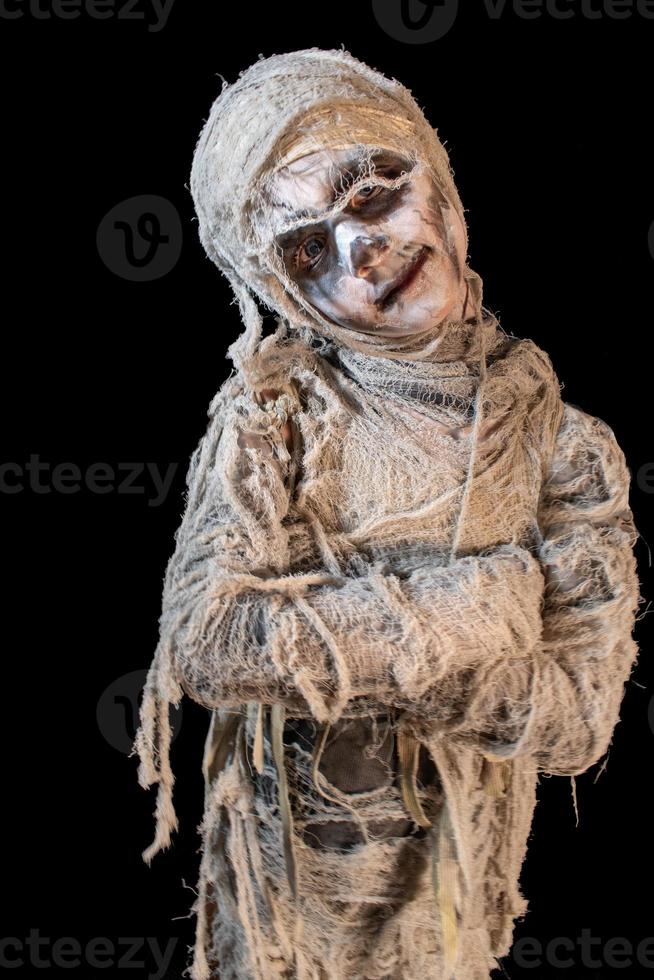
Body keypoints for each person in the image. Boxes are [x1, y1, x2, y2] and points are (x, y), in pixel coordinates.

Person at [133, 47, 643, 980]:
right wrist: (484, 605)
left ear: (441, 187)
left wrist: (337, 636)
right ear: (283, 292)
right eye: (305, 250)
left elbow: (574, 721)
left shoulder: (562, 449)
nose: (360, 251)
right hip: (289, 901)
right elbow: (208, 641)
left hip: (452, 903)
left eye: (372, 192)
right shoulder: (274, 423)